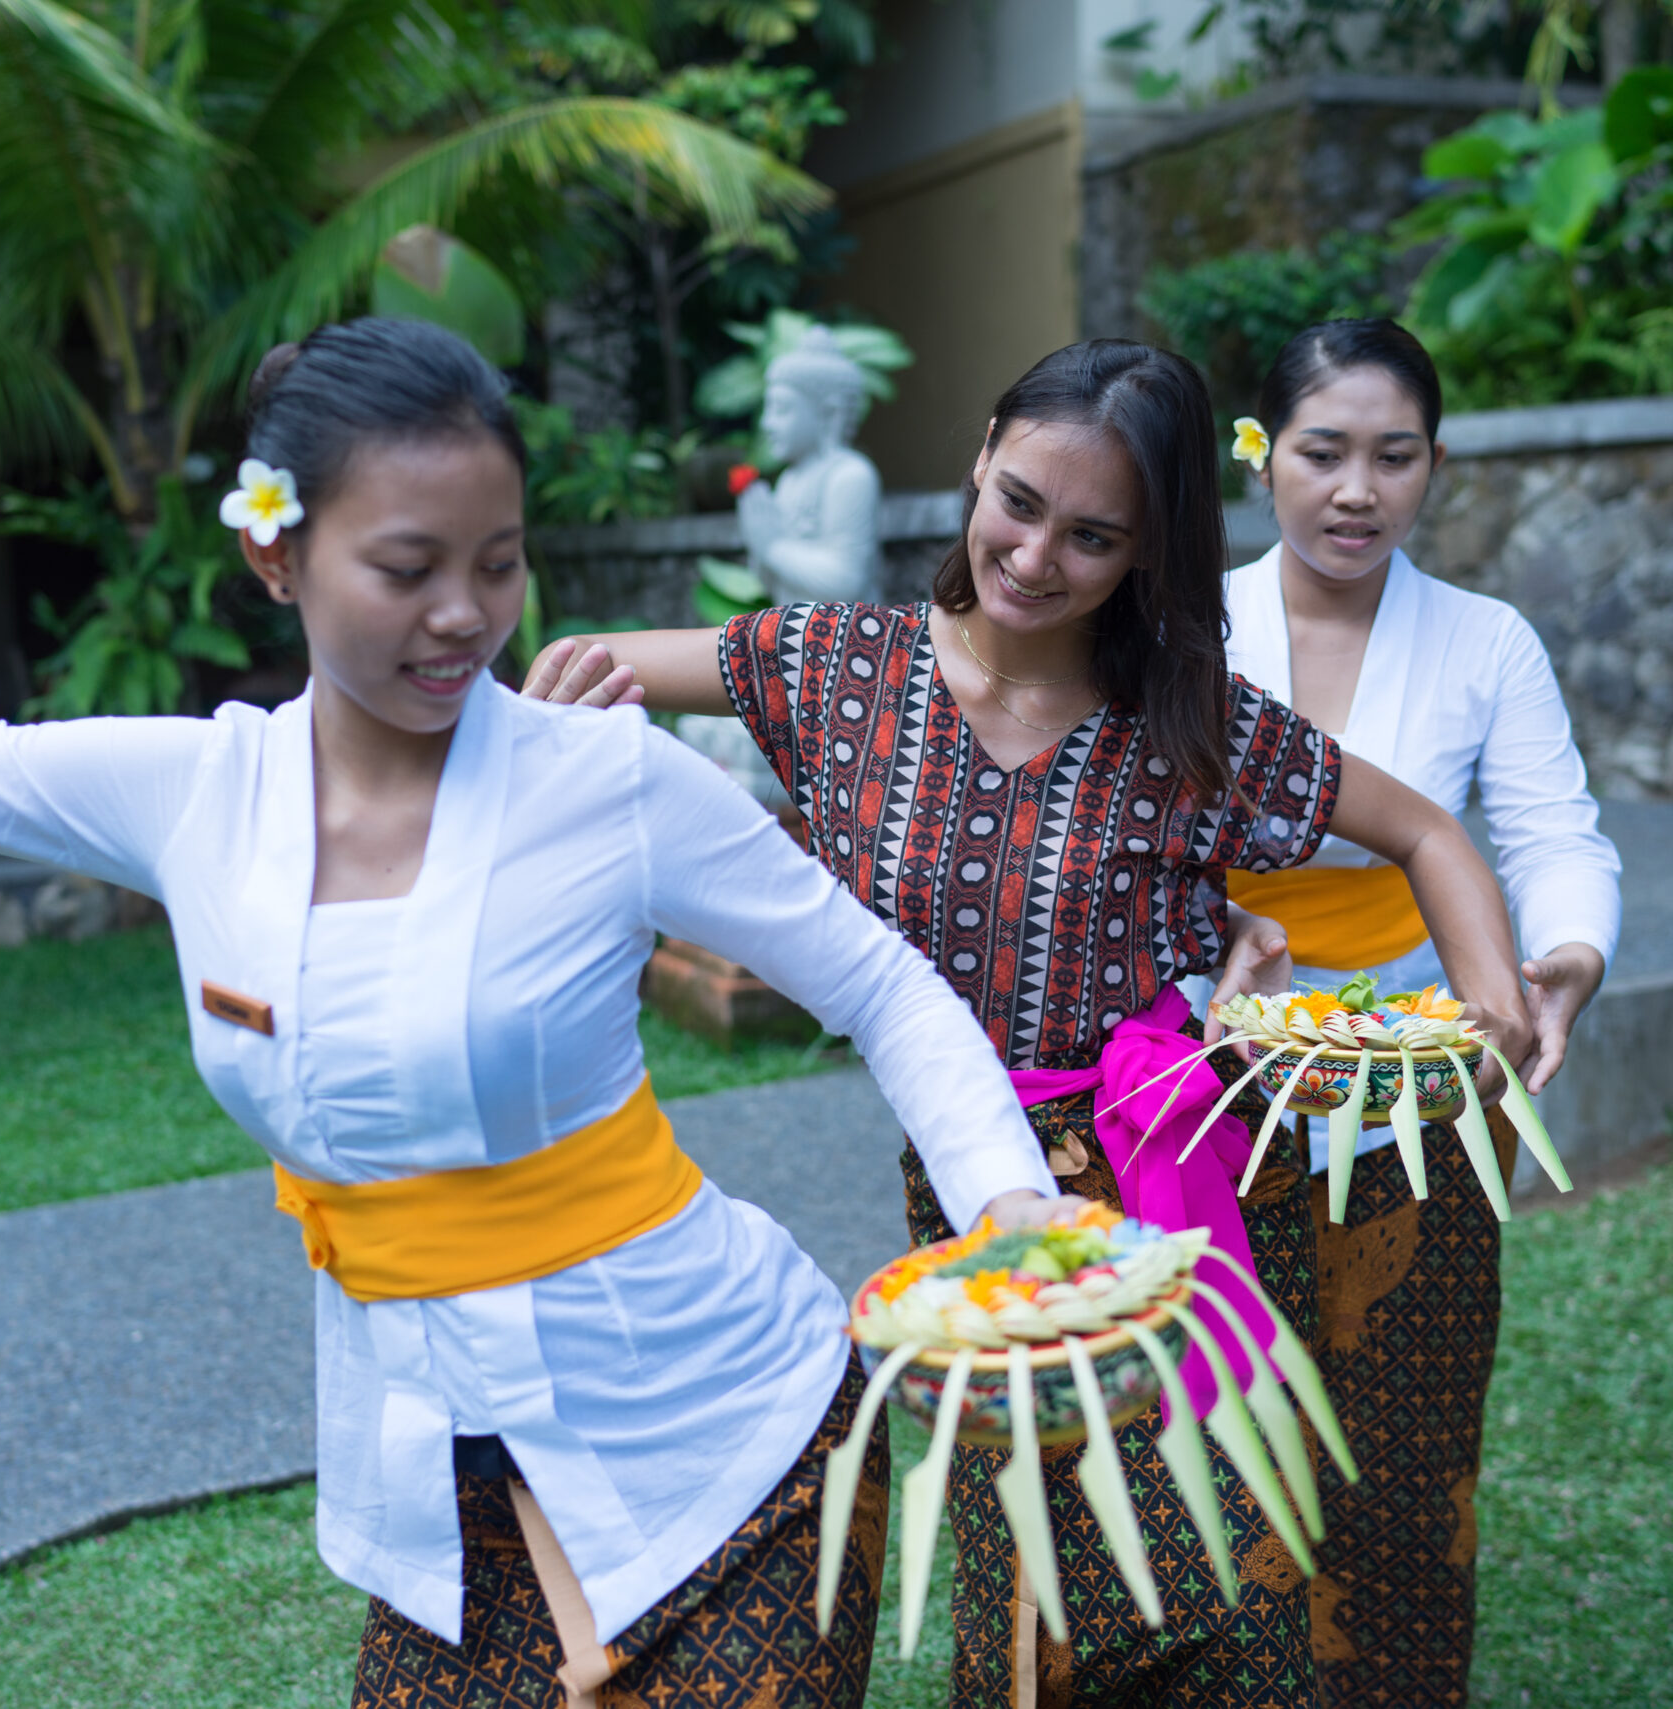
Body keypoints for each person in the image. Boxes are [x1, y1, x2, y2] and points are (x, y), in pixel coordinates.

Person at [0, 318, 1088, 1709]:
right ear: (277, 554)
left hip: (724, 1437)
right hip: (431, 1473)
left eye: (498, 562)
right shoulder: (199, 792)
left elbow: (881, 980)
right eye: (407, 568)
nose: (464, 616)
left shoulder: (605, 783)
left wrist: (1007, 1204)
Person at [526, 338, 1538, 1709]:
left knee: (1241, 1565)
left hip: (1182, 1176)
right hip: (976, 1188)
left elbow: (1424, 828)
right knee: (1038, 1566)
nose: (1034, 556)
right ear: (981, 458)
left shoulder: (1189, 722)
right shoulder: (836, 666)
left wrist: (1494, 1001)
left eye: (1092, 536)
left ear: (1147, 553)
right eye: (1017, 502)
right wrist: (542, 709)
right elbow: (580, 667)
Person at [1222, 318, 1620, 1706]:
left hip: (1429, 1055)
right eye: (1323, 452)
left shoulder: (1485, 639)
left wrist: (1563, 958)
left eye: (1394, 458)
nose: (1357, 490)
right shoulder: (1180, 625)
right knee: (1227, 1410)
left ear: (1434, 466)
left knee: (1410, 1417)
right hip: (1214, 1051)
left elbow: (1552, 827)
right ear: (1262, 455)